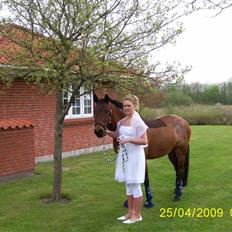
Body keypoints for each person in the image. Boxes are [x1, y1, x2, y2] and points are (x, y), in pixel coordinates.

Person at [106, 95, 148, 224]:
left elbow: (144, 141)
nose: (126, 108)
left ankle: (137, 215)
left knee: (135, 185)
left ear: (135, 106)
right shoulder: (122, 121)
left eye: (129, 105)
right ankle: (130, 212)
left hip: (135, 157)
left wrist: (128, 139)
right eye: (124, 106)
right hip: (125, 157)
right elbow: (118, 135)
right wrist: (107, 132)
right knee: (128, 186)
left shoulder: (138, 122)